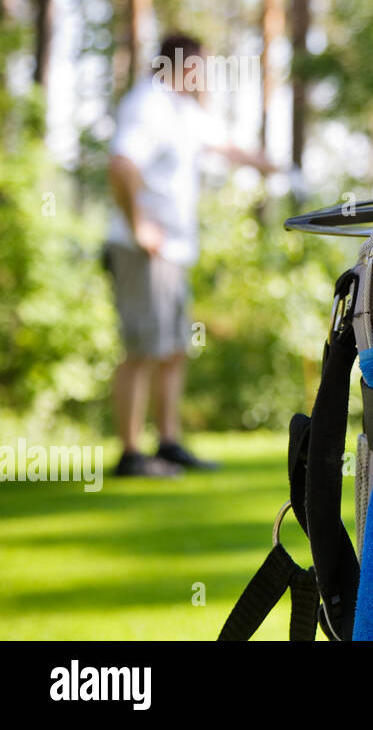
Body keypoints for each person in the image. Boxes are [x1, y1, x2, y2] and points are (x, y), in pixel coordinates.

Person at [106, 33, 276, 477]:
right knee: (143, 348)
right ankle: (129, 453)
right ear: (179, 63)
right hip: (143, 248)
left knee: (173, 349)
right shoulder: (149, 104)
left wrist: (276, 167)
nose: (206, 74)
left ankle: (168, 443)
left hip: (173, 252)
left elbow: (226, 148)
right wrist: (139, 223)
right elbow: (121, 164)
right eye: (201, 65)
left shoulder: (185, 112)